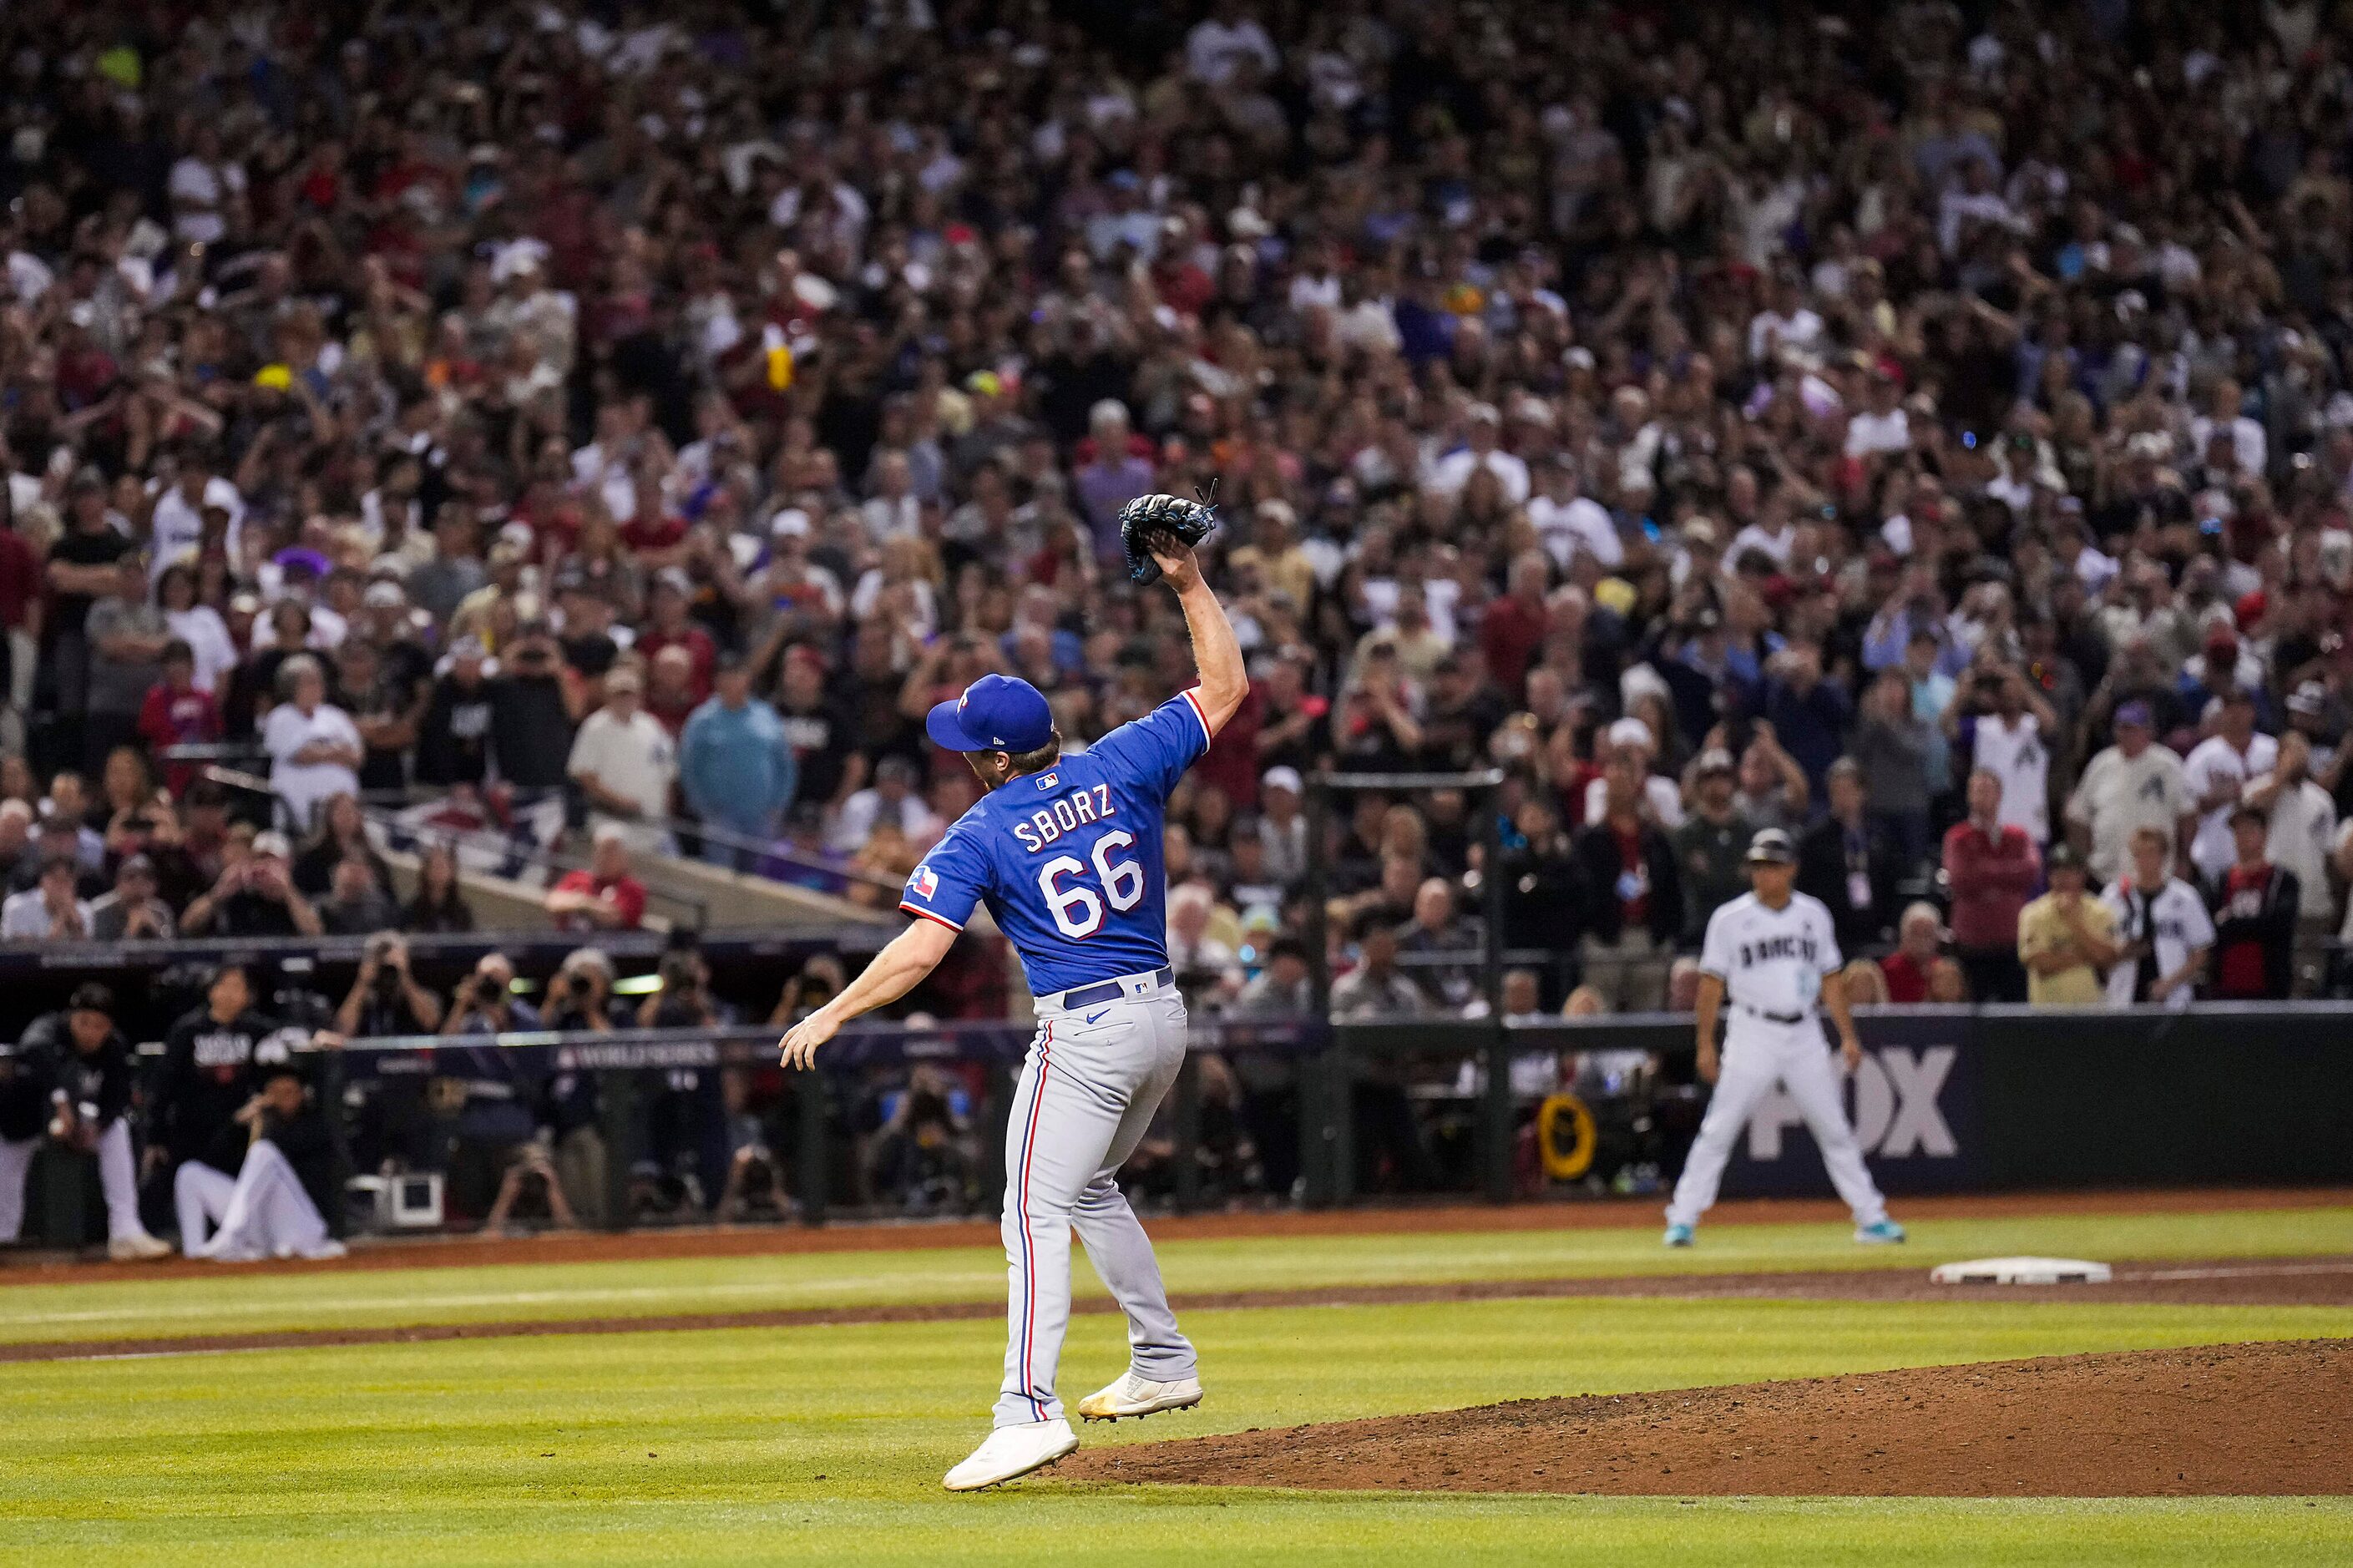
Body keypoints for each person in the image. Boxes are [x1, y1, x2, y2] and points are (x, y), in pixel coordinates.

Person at [777, 516, 1243, 1491]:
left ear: (994, 759)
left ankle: (1025, 1412)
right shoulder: (1120, 759)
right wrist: (1189, 584)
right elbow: (1226, 689)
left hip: (1084, 1029)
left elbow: (919, 949)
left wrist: (834, 1012)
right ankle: (1162, 1361)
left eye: (968, 746)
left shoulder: (982, 827)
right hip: (1163, 1016)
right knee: (1088, 1189)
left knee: (1028, 1211)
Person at [1662, 830, 1901, 1249]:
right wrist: (1705, 1043)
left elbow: (1830, 982)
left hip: (1804, 1032)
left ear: (1791, 868)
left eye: (1772, 865)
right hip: (1752, 1030)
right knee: (1720, 1128)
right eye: (1757, 865)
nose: (1763, 873)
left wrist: (1847, 1036)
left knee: (1834, 1127)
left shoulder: (1814, 915)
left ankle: (1871, 1216)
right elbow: (1710, 987)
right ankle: (1682, 1218)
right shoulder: (1730, 919)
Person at [0, 986, 172, 1258]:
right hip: (27, 1119)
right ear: (71, 1018)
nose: (91, 1032)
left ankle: (125, 1231)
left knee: (117, 1131)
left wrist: (98, 1126)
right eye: (84, 1023)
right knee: (5, 1170)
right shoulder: (49, 1030)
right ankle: (3, 1239)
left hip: (81, 1120)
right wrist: (61, 1103)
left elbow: (117, 1099)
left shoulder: (114, 1047)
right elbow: (33, 1046)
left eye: (99, 1025)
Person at [178, 1059, 345, 1262]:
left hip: (302, 1227)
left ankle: (228, 1237)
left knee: (264, 1152)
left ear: (303, 1095)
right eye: (274, 1093)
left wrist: (264, 1126)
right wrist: (239, 1124)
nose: (280, 1099)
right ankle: (194, 1253)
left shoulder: (315, 1126)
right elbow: (213, 1158)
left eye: (288, 1093)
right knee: (189, 1173)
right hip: (261, 1228)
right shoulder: (258, 1125)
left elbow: (287, 1153)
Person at [1569, 746, 1682, 1011]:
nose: (1620, 787)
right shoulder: (1590, 839)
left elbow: (1671, 887)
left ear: (1638, 786)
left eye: (1626, 779)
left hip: (1649, 938)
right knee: (1599, 1018)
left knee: (1649, 1019)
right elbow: (1581, 890)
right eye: (1614, 780)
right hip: (1605, 939)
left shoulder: (1654, 838)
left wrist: (1665, 933)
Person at [680, 656, 798, 870]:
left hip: (761, 816)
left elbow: (784, 764)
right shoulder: (702, 720)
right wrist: (702, 806)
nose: (734, 682)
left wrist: (779, 805)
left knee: (758, 877)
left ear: (747, 680)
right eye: (728, 676)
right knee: (720, 874)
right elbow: (689, 766)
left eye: (739, 676)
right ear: (718, 681)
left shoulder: (766, 714)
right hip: (720, 816)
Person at [1941, 767, 2039, 1004]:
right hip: (1972, 945)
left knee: (2015, 1013)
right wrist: (2007, 875)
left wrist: (1984, 871)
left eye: (1988, 790)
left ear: (1999, 795)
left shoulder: (2018, 835)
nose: (1982, 796)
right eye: (1977, 791)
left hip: (2011, 942)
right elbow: (1960, 877)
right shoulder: (1957, 837)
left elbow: (2031, 871)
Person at [2066, 701, 2191, 884]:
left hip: (2157, 876)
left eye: (2133, 729)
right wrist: (2084, 860)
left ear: (2148, 731)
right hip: (2105, 875)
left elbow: (2187, 816)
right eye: (2122, 728)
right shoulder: (2102, 763)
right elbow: (2079, 816)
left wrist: (2183, 860)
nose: (2126, 734)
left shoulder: (2168, 764)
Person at [566, 663, 678, 853]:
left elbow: (667, 770)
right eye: (620, 694)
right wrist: (619, 801)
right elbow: (584, 775)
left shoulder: (650, 725)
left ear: (640, 695)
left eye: (630, 693)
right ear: (608, 696)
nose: (626, 699)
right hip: (612, 824)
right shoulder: (595, 727)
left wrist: (666, 806)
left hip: (654, 827)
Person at [2101, 825, 2214, 1011]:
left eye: (2151, 852)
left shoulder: (2185, 897)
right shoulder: (2114, 897)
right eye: (2139, 854)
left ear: (2164, 856)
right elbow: (2098, 949)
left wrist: (2169, 984)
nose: (2145, 860)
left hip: (2173, 999)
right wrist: (2121, 951)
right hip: (2123, 997)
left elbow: (2201, 953)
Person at [1796, 758, 1895, 954]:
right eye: (1836, 791)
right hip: (1832, 929)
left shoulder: (1879, 835)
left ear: (1862, 792)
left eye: (1848, 790)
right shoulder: (1815, 839)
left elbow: (1891, 879)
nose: (1842, 798)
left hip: (1873, 925)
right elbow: (1805, 887)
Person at [2180, 688, 2279, 884]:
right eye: (2230, 709)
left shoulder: (2272, 750)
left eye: (2243, 708)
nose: (2237, 715)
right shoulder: (2203, 756)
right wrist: (2240, 792)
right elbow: (2191, 808)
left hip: (2268, 854)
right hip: (2216, 856)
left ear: (2253, 712)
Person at [2204, 806, 2299, 1003]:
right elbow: (2210, 928)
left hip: (2269, 986)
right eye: (2238, 831)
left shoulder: (2282, 881)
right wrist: (2254, 924)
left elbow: (2278, 925)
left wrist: (2232, 923)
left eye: (2249, 830)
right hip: (2225, 986)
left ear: (2264, 833)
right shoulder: (2221, 881)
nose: (2242, 837)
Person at [261, 654, 363, 832]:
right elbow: (299, 754)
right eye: (310, 681)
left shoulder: (335, 716)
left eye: (319, 681)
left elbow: (356, 756)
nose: (318, 686)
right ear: (291, 686)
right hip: (297, 818)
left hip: (342, 818)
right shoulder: (280, 717)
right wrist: (336, 752)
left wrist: (321, 752)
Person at [2016, 845, 2120, 1008]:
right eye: (2057, 872)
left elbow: (2108, 958)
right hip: (2046, 1012)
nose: (2063, 878)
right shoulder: (2033, 913)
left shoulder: (2100, 911)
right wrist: (2088, 957)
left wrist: (2074, 923)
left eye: (2070, 871)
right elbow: (2040, 963)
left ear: (2082, 875)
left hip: (2091, 1011)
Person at [544, 824, 650, 931]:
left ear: (625, 856)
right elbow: (553, 901)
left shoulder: (633, 888)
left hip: (605, 944)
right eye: (599, 849)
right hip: (564, 939)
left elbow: (614, 917)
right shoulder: (578, 877)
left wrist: (582, 902)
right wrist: (590, 905)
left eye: (609, 851)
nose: (603, 857)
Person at [1879, 903, 1944, 1004]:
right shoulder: (1888, 970)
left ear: (1937, 938)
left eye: (1927, 933)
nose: (1922, 941)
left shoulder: (1944, 971)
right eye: (1915, 934)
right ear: (1903, 936)